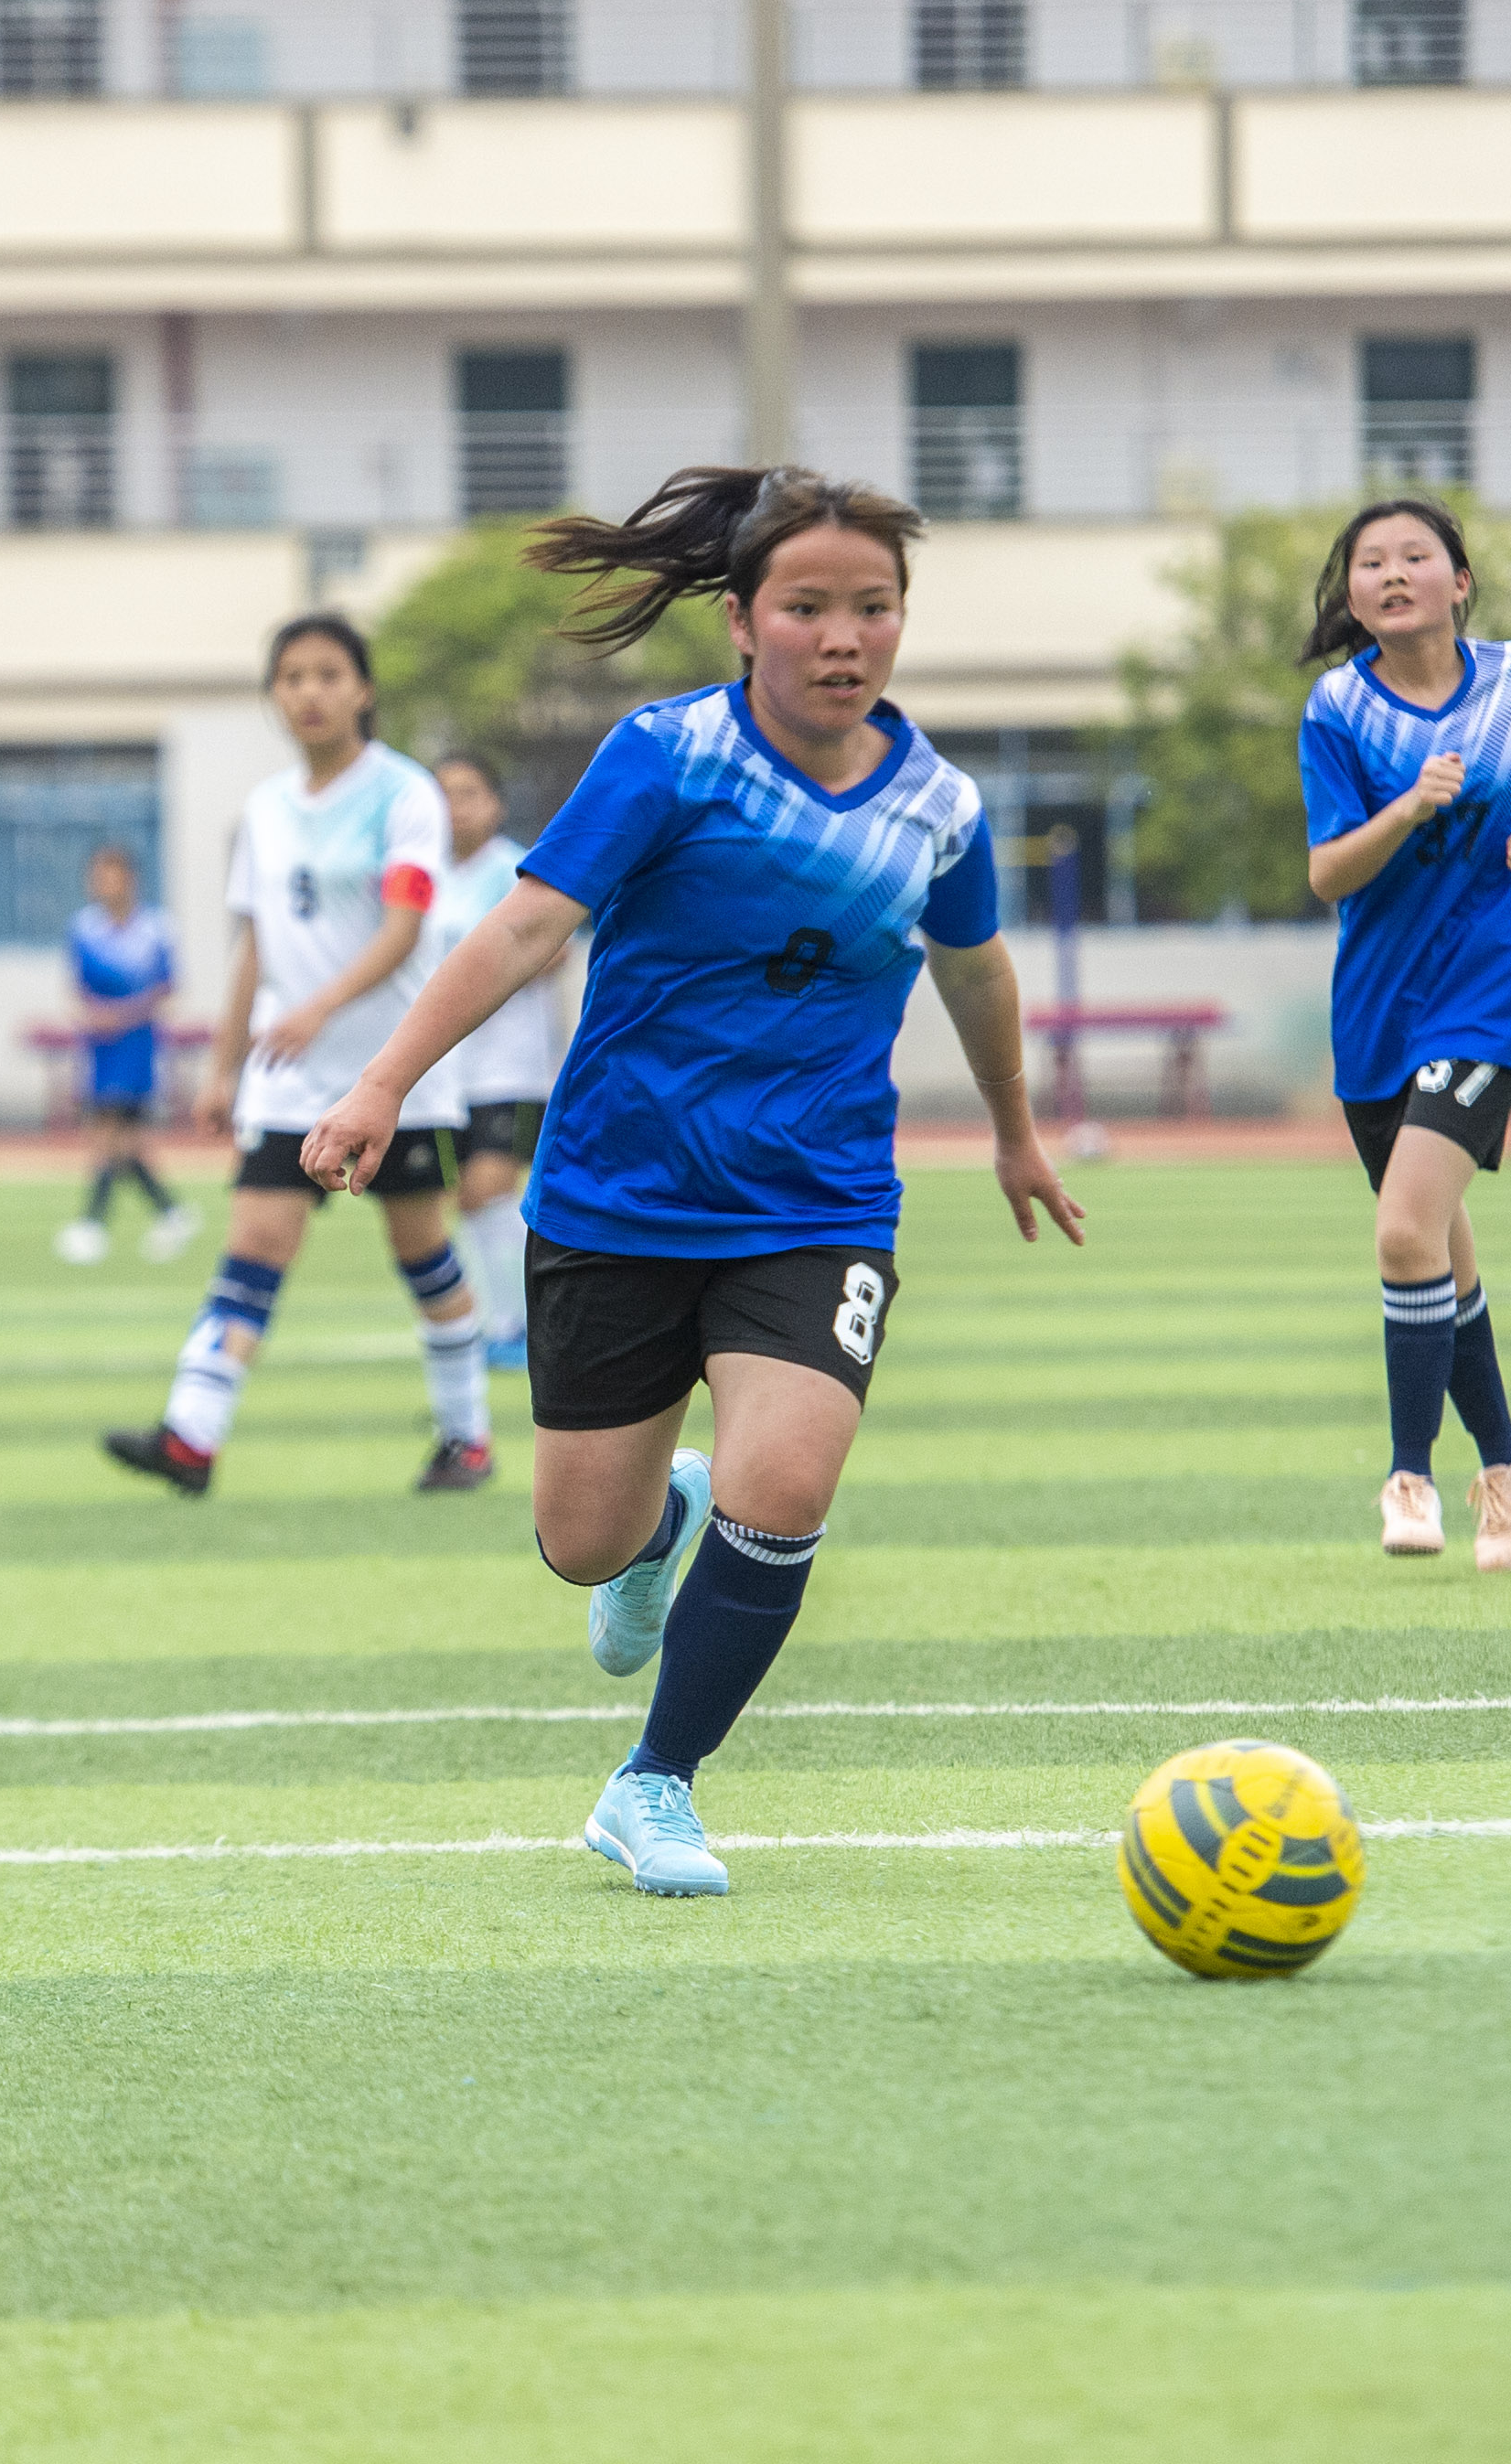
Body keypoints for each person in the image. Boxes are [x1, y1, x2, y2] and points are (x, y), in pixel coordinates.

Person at [308, 466, 1086, 1899]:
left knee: (783, 1483)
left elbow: (975, 969)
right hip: (618, 1194)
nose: (844, 637)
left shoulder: (938, 805)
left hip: (818, 1203)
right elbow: (524, 929)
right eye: (808, 607)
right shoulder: (669, 757)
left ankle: (655, 1780)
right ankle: (655, 1528)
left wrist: (1015, 1129)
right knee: (579, 1542)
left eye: (874, 607)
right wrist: (383, 1083)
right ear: (740, 619)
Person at [1296, 496, 1511, 1573]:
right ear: (1352, 595)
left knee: (1404, 1234)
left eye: (1415, 555)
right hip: (1378, 1008)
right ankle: (1508, 1461)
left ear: (1460, 580)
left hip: (1491, 991)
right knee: (1434, 1247)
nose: (1392, 573)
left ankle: (1409, 1476)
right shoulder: (1338, 707)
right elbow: (1327, 874)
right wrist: (1407, 809)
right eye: (1370, 562)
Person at [101, 614, 493, 1497]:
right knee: (254, 1244)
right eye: (292, 677)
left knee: (421, 1250)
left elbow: (405, 928)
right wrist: (224, 1066)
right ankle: (191, 1437)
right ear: (273, 696)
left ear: (364, 690)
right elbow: (254, 947)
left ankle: (466, 1437)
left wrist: (318, 1007)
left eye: (328, 674)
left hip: (396, 1075)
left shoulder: (407, 795)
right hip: (287, 1077)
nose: (309, 692)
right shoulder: (266, 811)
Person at [428, 753, 568, 1371]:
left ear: (495, 804)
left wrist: (486, 978)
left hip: (509, 1066)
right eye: (443, 794)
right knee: (467, 1199)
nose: (454, 807)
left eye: (468, 793)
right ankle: (507, 1321)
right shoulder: (428, 876)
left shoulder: (516, 869)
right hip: (449, 1070)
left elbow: (554, 950)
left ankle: (534, 1317)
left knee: (489, 1190)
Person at [54, 840, 197, 1265]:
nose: (104, 884)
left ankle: (93, 1224)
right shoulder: (84, 928)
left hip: (136, 1044)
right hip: (99, 1046)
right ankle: (169, 1213)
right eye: (98, 876)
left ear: (130, 879)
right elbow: (77, 988)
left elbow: (167, 988)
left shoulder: (156, 928)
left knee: (113, 1134)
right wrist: (93, 1016)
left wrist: (124, 1015)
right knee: (118, 1139)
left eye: (112, 875)